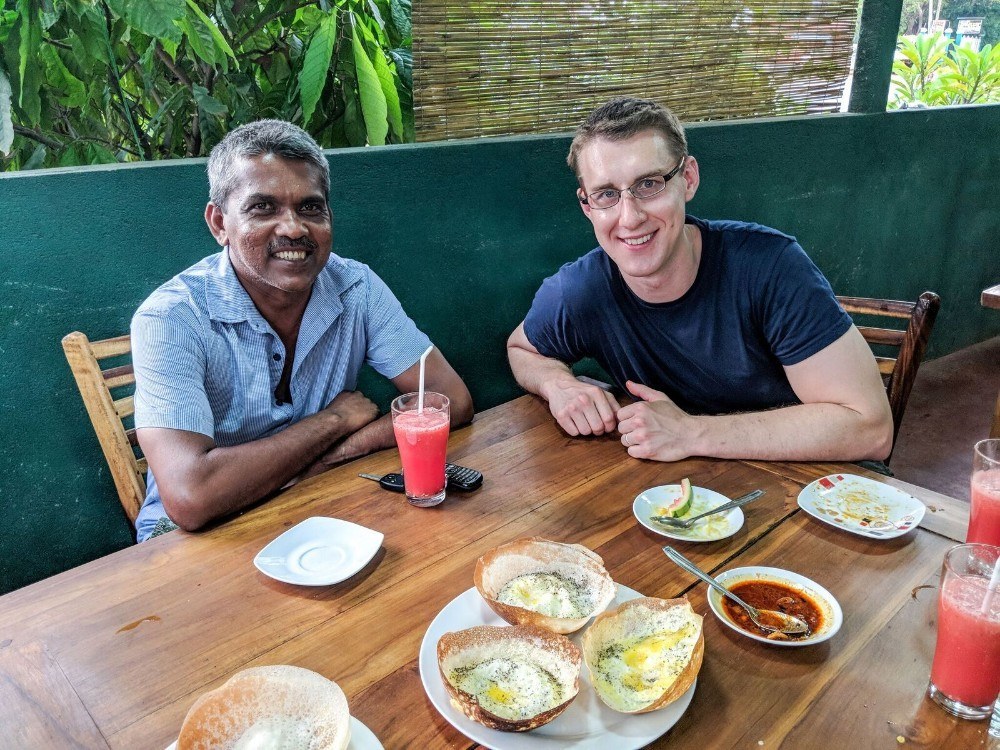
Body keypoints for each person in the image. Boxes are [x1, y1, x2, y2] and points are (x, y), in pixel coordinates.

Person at [131, 120, 473, 541]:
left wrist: (339, 452)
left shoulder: (356, 288)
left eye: (310, 208)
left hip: (318, 500)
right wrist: (334, 421)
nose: (293, 228)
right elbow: (191, 497)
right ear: (219, 223)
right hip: (193, 538)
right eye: (263, 207)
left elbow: (450, 400)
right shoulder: (171, 319)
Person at [507, 97, 892, 463]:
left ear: (688, 179)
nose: (630, 217)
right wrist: (560, 386)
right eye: (607, 194)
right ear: (587, 206)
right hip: (678, 491)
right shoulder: (580, 290)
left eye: (649, 184)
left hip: (804, 484)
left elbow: (871, 428)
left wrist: (690, 433)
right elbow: (523, 350)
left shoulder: (770, 266)